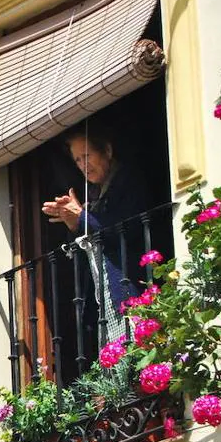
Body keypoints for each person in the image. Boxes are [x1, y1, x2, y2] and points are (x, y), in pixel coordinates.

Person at [41, 123, 154, 339]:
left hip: (132, 291)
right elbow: (86, 251)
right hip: (104, 303)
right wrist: (75, 225)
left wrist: (82, 217)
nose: (83, 165)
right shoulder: (93, 194)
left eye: (86, 155)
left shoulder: (129, 180)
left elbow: (125, 227)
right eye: (77, 160)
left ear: (107, 151)